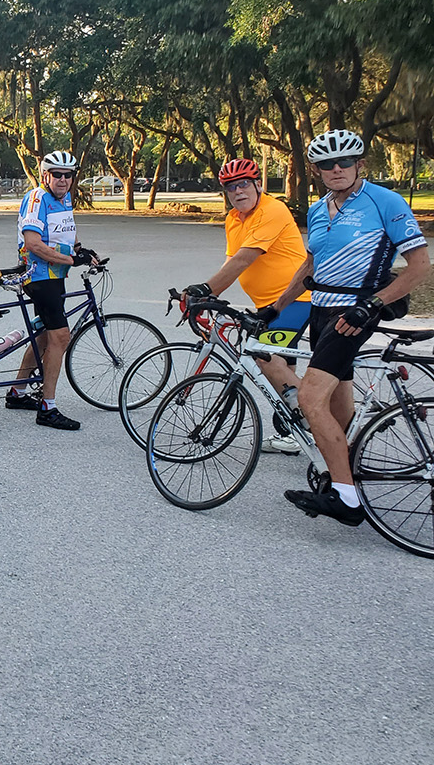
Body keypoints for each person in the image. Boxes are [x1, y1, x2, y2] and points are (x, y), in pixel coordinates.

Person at [265, 130, 429, 526]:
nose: (336, 169)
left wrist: (371, 305)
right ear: (316, 170)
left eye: (344, 162)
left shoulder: (384, 201)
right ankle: (344, 475)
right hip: (321, 313)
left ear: (361, 165)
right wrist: (276, 308)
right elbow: (310, 269)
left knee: (309, 398)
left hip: (354, 314)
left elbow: (421, 267)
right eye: (326, 164)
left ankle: (347, 498)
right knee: (338, 409)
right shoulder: (319, 209)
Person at [181, 158, 310, 454]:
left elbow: (245, 259)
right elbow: (232, 260)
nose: (238, 192)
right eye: (231, 187)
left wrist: (205, 289)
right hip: (268, 305)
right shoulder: (233, 218)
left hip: (295, 300)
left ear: (258, 185)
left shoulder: (272, 209)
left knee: (265, 359)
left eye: (244, 184)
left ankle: (322, 427)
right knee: (283, 368)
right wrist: (209, 295)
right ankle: (295, 430)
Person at [8, 150, 98, 431]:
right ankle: (48, 408)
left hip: (55, 275)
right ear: (45, 175)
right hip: (39, 277)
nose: (62, 179)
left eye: (67, 175)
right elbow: (34, 244)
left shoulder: (64, 198)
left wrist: (81, 250)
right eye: (56, 174)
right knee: (61, 336)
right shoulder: (36, 199)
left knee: (45, 335)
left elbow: (63, 233)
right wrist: (72, 259)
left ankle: (18, 392)